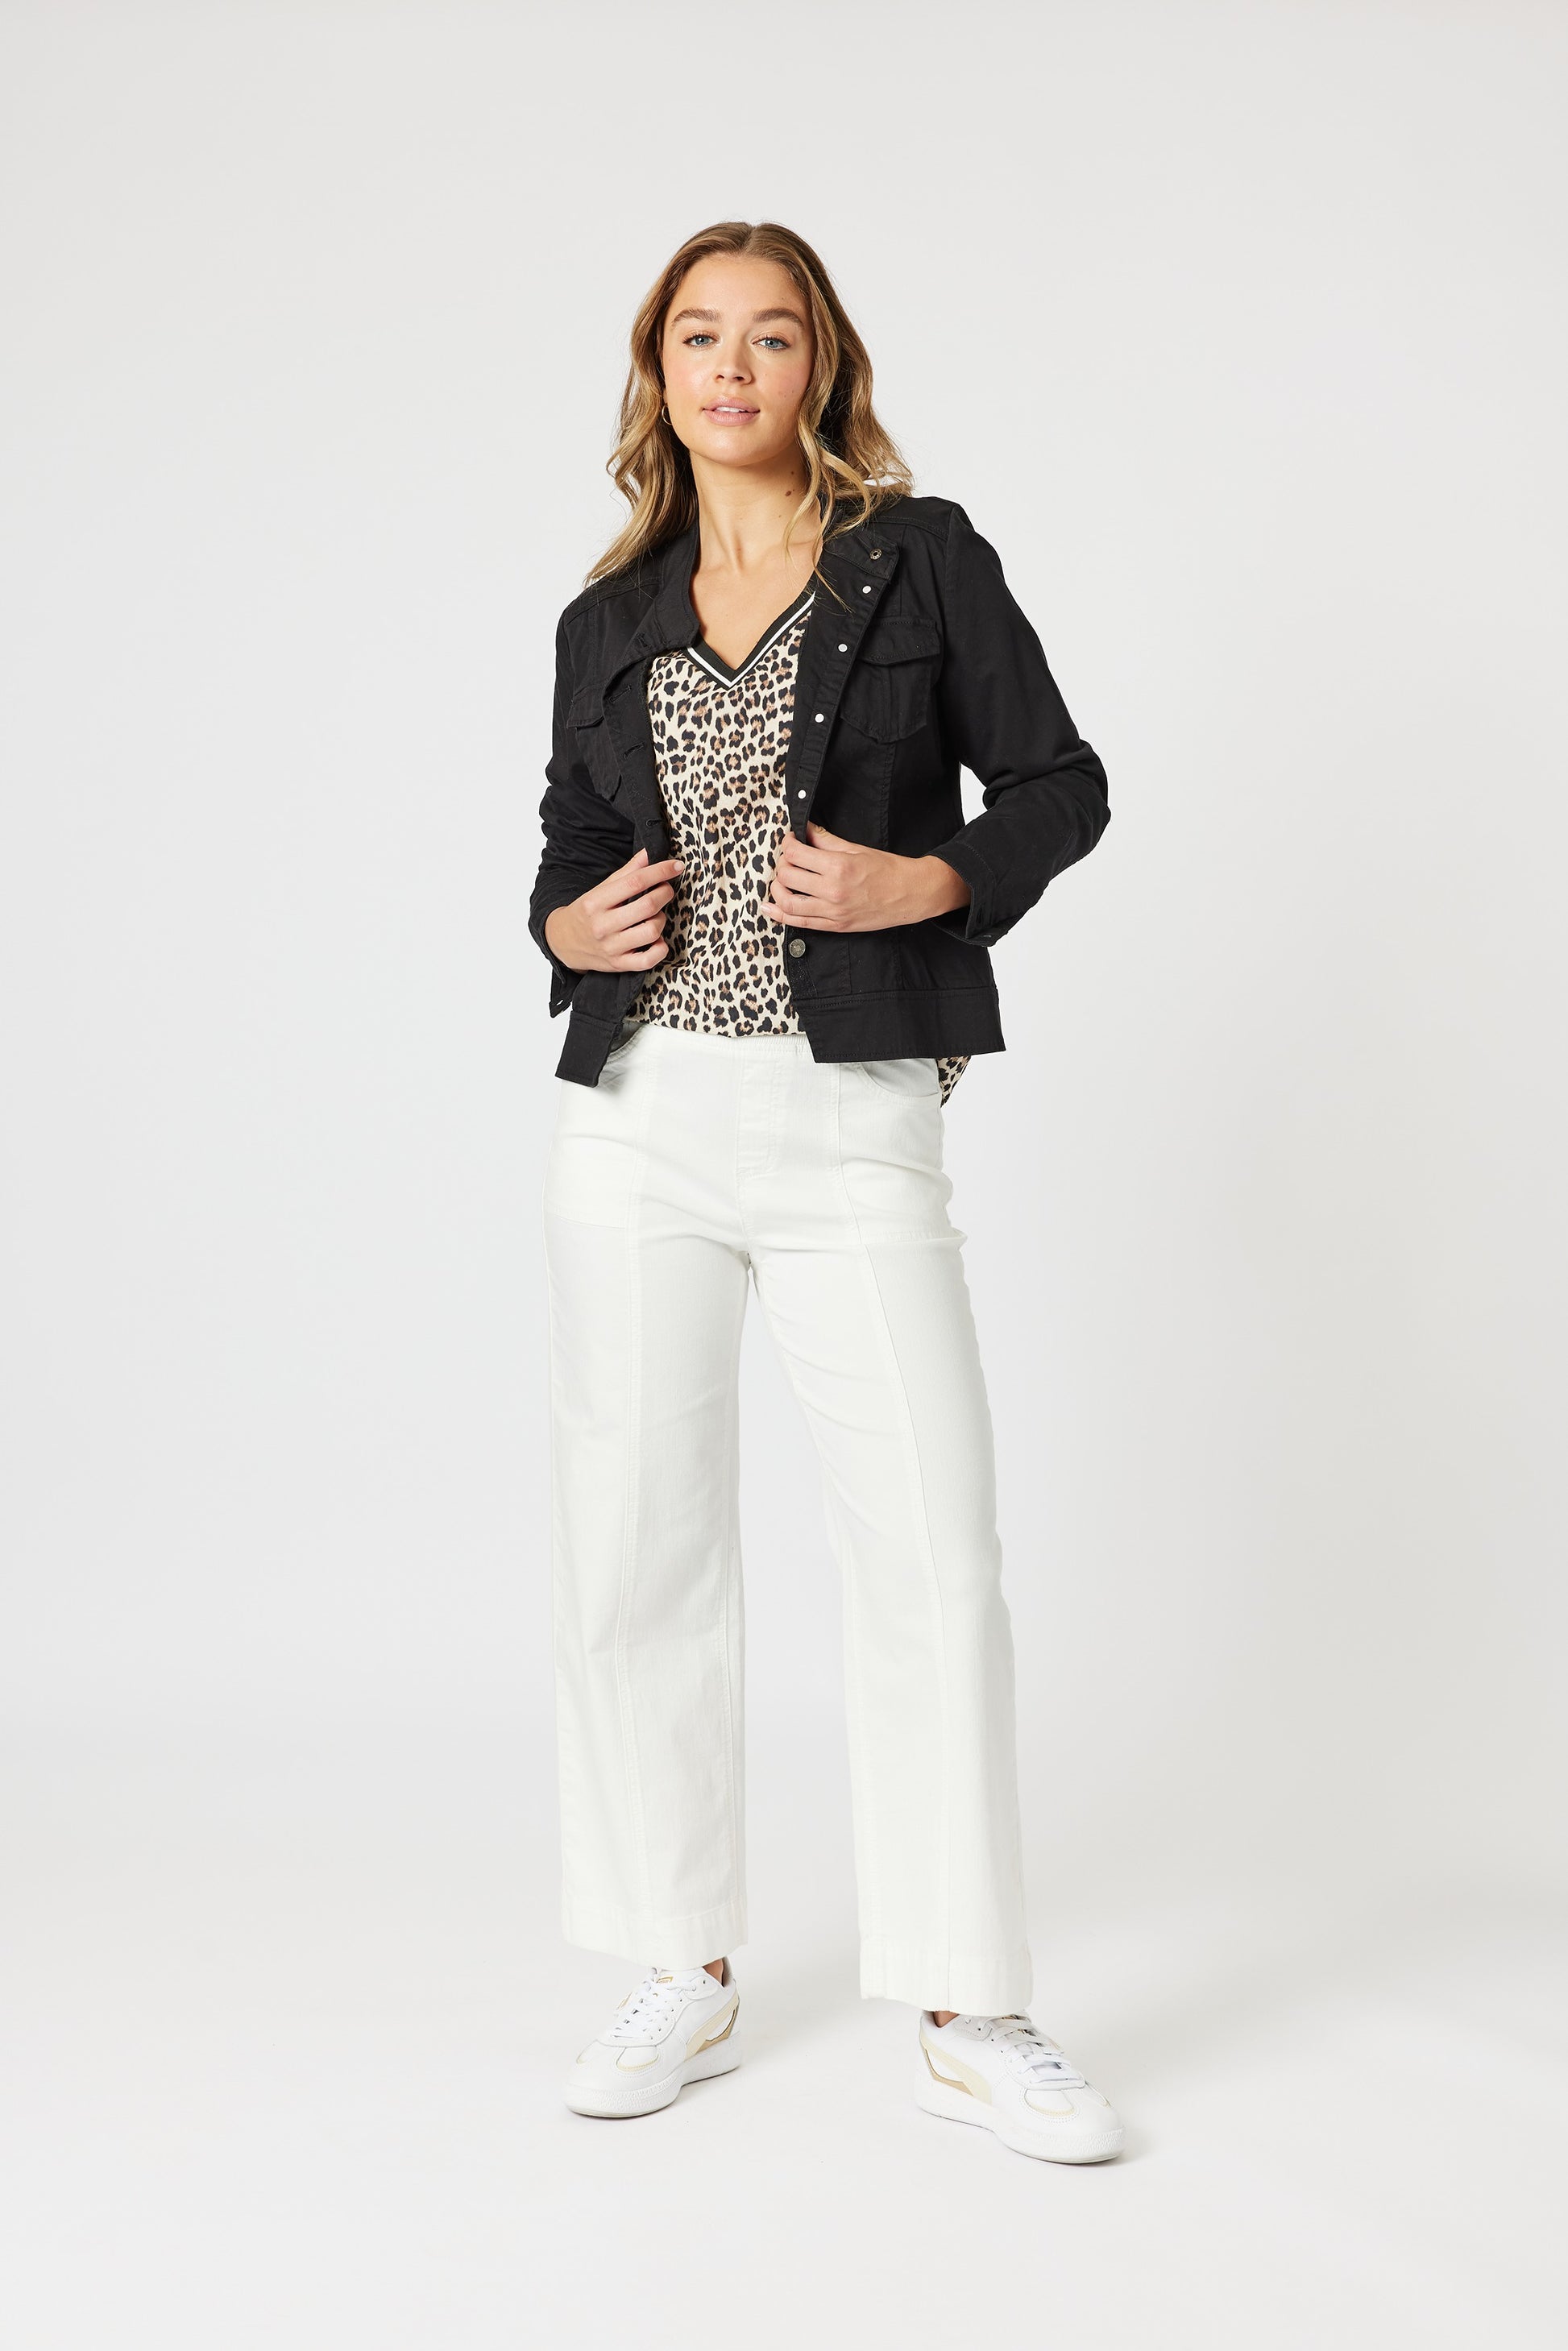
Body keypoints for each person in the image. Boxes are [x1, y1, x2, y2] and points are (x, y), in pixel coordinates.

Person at [529, 221, 1121, 2163]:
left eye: (770, 337)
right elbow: (570, 843)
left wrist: (928, 878)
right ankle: (676, 1962)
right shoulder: (608, 615)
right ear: (659, 370)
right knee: (636, 1548)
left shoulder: (921, 559)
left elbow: (1059, 784)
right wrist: (564, 918)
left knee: (932, 1555)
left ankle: (969, 2001)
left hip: (850, 1108)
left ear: (821, 368)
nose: (732, 367)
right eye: (698, 335)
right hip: (638, 1119)